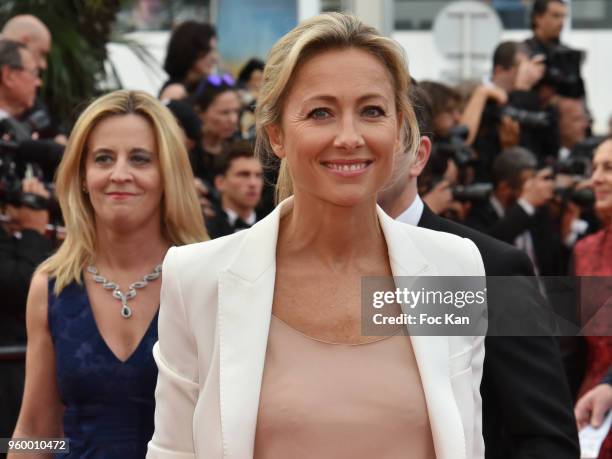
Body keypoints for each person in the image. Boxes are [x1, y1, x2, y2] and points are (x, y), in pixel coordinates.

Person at [148, 12, 487, 459]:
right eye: (320, 112)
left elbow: (468, 441)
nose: (349, 137)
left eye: (372, 111)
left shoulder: (451, 269)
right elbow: (174, 451)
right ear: (276, 135)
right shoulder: (199, 279)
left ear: (399, 127)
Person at [378, 82, 580, 458]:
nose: (353, 141)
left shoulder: (488, 269)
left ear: (419, 156)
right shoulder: (284, 266)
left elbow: (546, 438)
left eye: (375, 117)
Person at [10, 90, 208, 458]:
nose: (120, 174)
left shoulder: (206, 278)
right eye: (103, 159)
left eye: (140, 159)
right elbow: (35, 429)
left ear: (167, 174)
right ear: (83, 176)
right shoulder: (51, 285)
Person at [570, 139, 612, 459]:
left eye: (609, 168)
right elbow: (571, 346)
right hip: (590, 417)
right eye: (595, 168)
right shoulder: (585, 250)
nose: (596, 178)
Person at [205, 140, 264, 238]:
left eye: (258, 176)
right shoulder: (206, 230)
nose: (253, 183)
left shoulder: (274, 228)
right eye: (243, 175)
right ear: (220, 183)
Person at [190, 74, 241, 186]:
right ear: (200, 113)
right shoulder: (188, 152)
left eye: (236, 111)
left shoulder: (240, 148)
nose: (233, 119)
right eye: (224, 112)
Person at [159, 21, 218, 100]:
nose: (215, 58)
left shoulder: (205, 88)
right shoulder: (174, 93)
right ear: (189, 51)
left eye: (214, 51)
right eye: (207, 51)